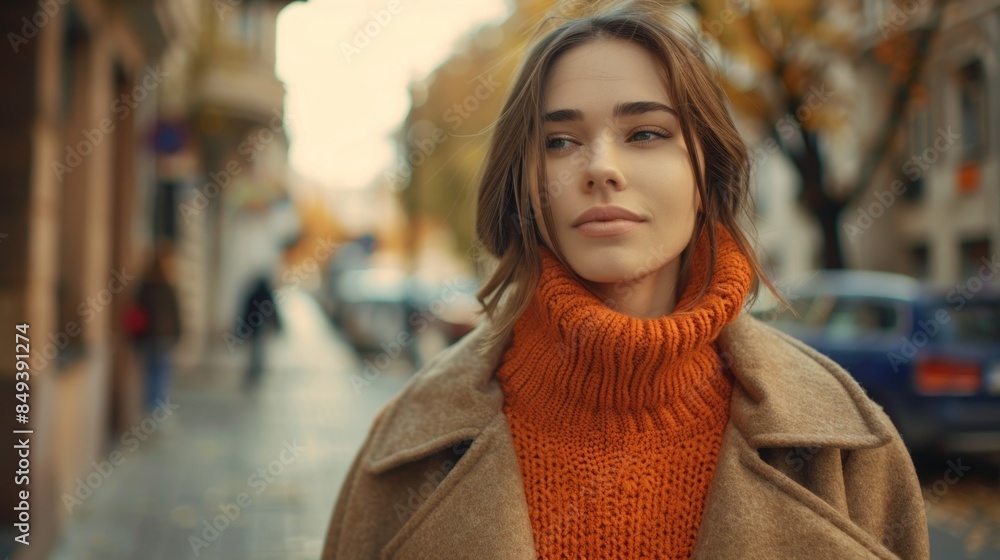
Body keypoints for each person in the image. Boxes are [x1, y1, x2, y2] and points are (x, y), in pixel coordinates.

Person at [321, 2, 930, 558]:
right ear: (524, 186)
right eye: (560, 141)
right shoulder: (403, 448)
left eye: (645, 133)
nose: (601, 168)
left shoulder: (850, 449)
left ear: (707, 175)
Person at [130, 241, 182, 412]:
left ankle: (150, 404)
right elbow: (175, 314)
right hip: (163, 337)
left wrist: (135, 338)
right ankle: (156, 405)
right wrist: (178, 334)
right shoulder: (168, 287)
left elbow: (137, 312)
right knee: (161, 372)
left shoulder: (144, 287)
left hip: (148, 337)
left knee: (149, 372)